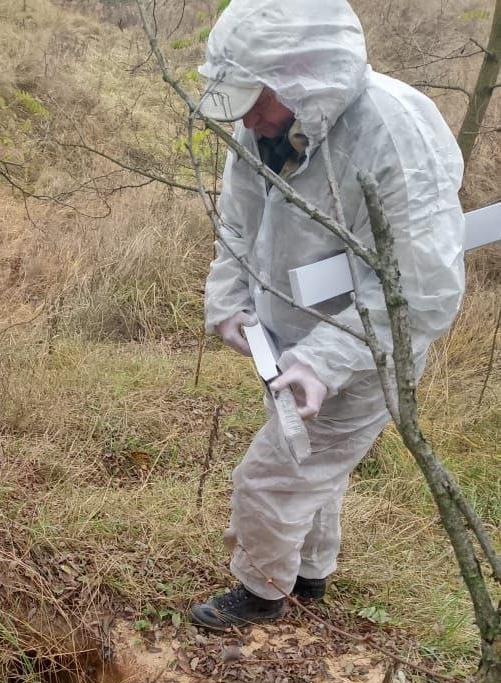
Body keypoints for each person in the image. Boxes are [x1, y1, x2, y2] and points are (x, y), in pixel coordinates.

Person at [188, 0, 465, 631]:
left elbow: (421, 289)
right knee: (310, 463)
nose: (251, 116)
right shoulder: (264, 128)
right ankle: (309, 577)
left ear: (306, 76)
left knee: (272, 477)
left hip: (364, 349)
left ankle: (260, 594)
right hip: (287, 336)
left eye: (260, 99)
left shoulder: (391, 135)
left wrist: (324, 359)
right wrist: (230, 297)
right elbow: (239, 222)